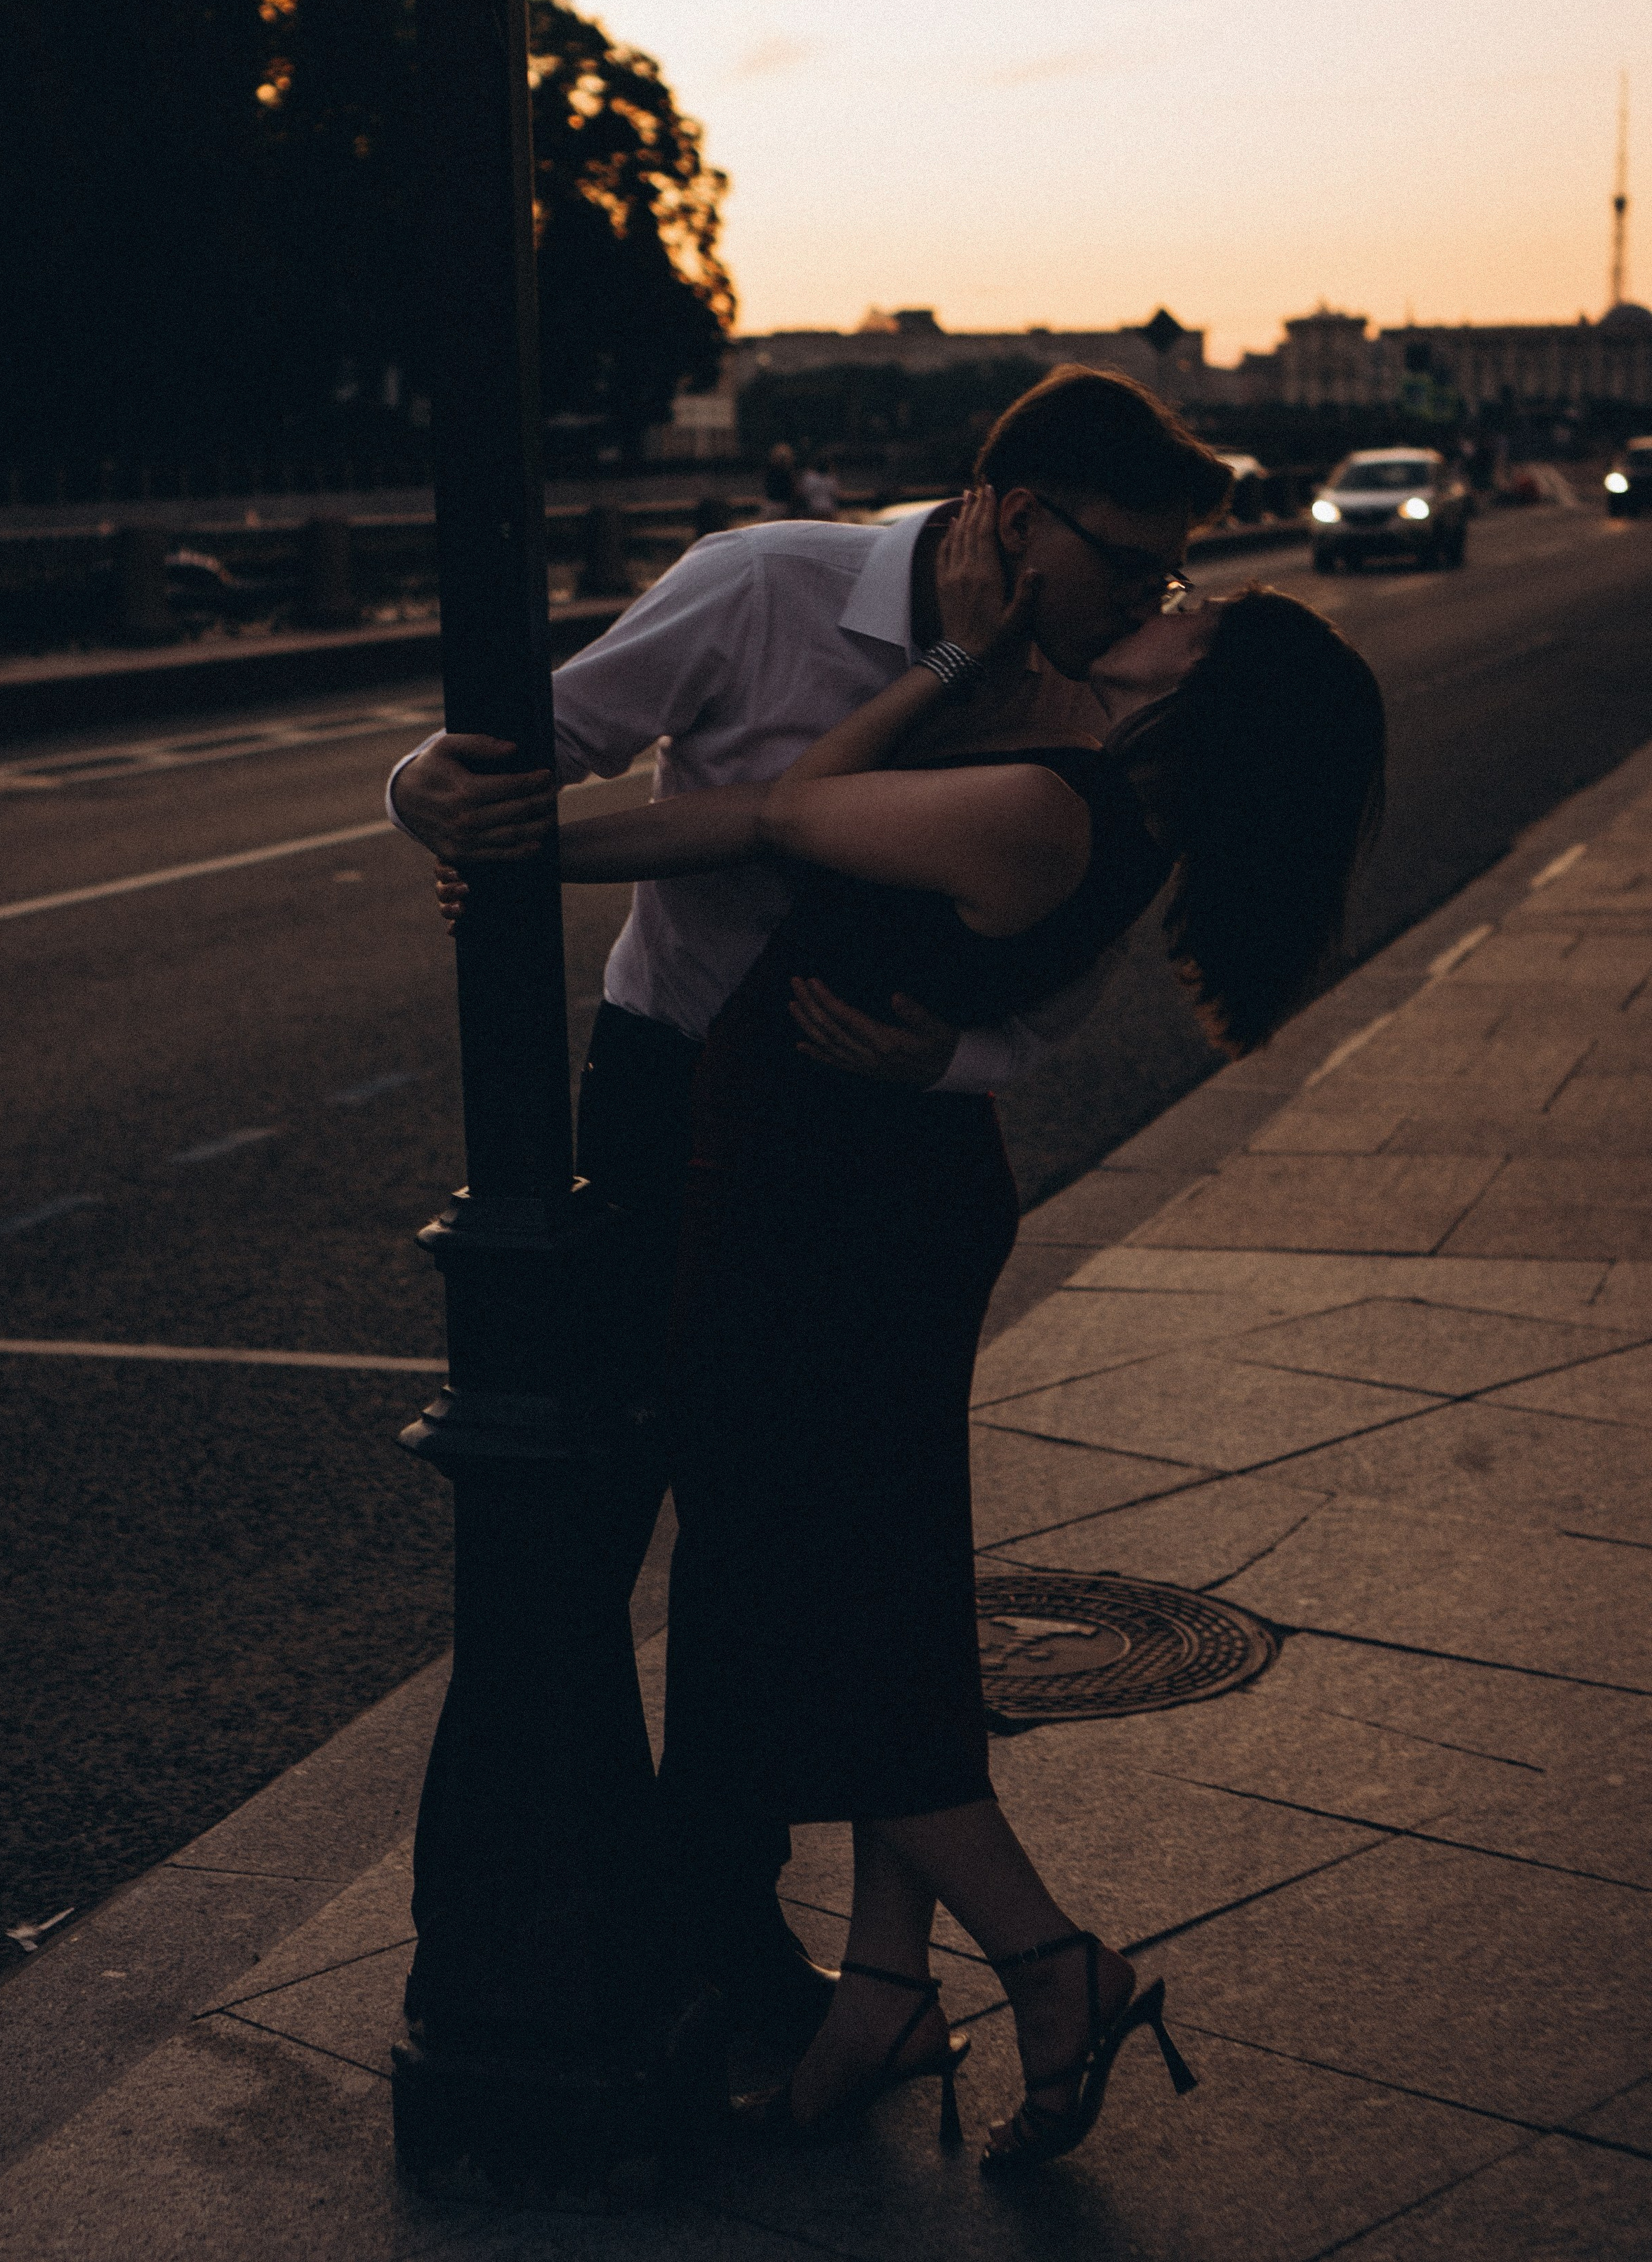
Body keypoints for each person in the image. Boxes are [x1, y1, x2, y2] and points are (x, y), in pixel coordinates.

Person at [437, 490, 1385, 2169]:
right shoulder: (1075, 793)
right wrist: (531, 852)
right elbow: (777, 821)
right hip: (853, 1198)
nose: (1163, 606)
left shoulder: (1040, 803)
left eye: (1194, 610)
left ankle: (1049, 1962)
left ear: (1199, 681)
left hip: (834, 1225)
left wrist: (940, 659)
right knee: (877, 1598)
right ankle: (882, 1990)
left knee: (817, 1606)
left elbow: (789, 812)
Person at [388, 366, 1232, 2046]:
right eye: (1125, 564)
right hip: (664, 1098)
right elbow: (512, 751)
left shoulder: (1065, 695)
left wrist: (948, 1053)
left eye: (1163, 580)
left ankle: (736, 1946)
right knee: (583, 1531)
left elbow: (1054, 989)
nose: (1143, 601)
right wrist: (428, 792)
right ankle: (512, 1943)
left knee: (771, 1568)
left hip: (855, 1152)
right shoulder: (762, 582)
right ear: (1009, 512)